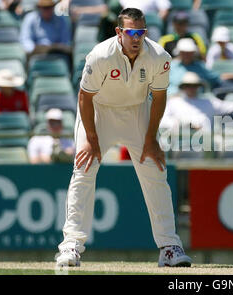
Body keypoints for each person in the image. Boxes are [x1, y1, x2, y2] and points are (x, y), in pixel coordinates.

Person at [55, 8, 192, 268]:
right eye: (131, 32)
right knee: (84, 169)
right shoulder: (100, 55)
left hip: (136, 111)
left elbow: (159, 97)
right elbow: (84, 97)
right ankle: (71, 245)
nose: (136, 38)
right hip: (99, 111)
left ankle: (169, 247)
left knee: (155, 171)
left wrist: (151, 138)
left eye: (141, 32)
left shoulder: (159, 56)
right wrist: (91, 138)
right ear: (119, 32)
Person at [160, 71, 233, 131]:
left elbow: (230, 106)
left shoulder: (208, 102)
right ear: (183, 87)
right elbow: (162, 121)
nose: (191, 88)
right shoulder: (174, 103)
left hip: (206, 145)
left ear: (198, 87)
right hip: (180, 143)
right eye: (188, 86)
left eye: (194, 86)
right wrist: (186, 125)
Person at [169, 38, 233, 97]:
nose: (186, 55)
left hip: (197, 101)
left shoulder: (200, 67)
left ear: (193, 53)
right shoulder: (171, 66)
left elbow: (217, 77)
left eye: (189, 52)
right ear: (179, 53)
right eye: (184, 52)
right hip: (173, 100)